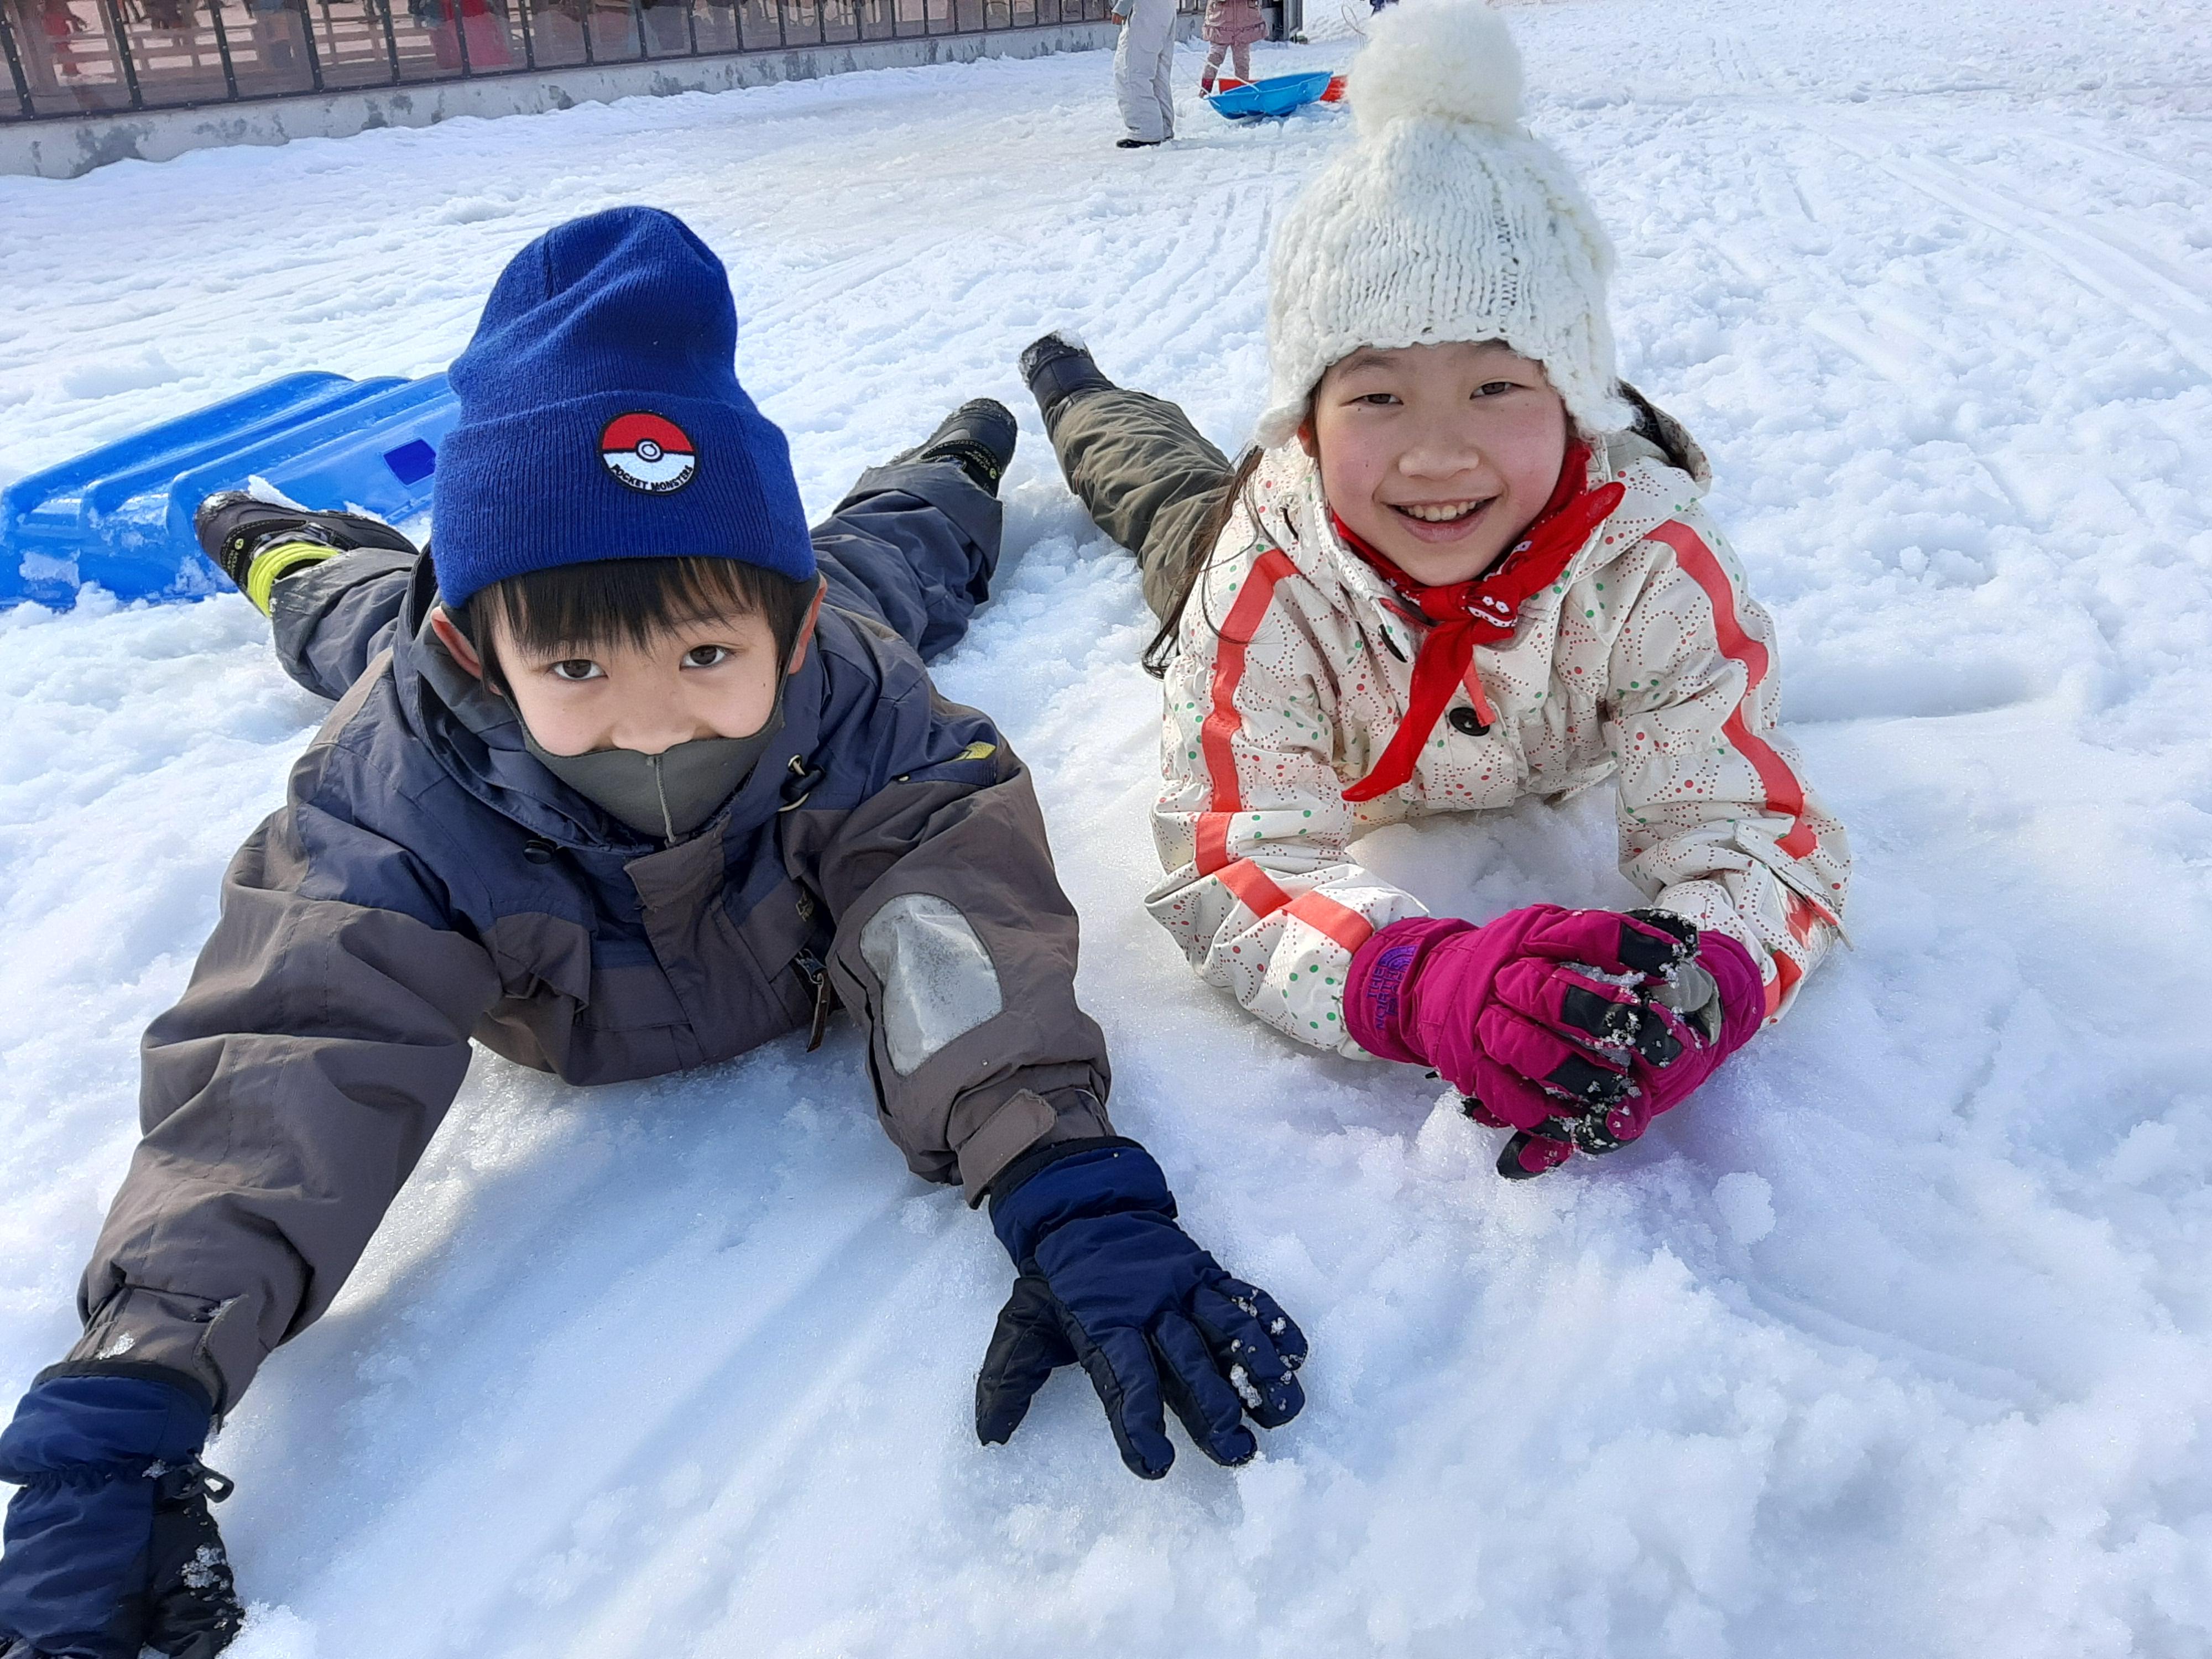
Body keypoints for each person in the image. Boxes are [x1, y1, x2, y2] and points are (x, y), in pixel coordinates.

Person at [0, 208, 1307, 1659]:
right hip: (416, 635)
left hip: (806, 600)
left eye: (707, 655)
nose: (652, 715)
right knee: (340, 615)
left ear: (789, 639)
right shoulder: (397, 794)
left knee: (891, 556)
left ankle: (954, 463)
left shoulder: (850, 695)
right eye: (572, 665)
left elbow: (953, 924)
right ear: (474, 654)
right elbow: (301, 1044)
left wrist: (1067, 1181)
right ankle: (284, 548)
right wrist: (137, 1387)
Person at [1021, 0, 1851, 1181]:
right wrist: (1410, 980)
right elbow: (1236, 858)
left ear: (1573, 404)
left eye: (1495, 389)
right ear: (1305, 424)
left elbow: (1752, 835)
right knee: (1152, 485)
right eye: (1375, 396)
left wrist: (1703, 978)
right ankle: (1074, 387)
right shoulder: (1267, 580)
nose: (1434, 452)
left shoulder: (1649, 572)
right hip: (1233, 531)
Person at [1107, 0, 1177, 148]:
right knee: (1158, 74)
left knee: (1132, 72)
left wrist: (1122, 7)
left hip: (1145, 11)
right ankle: (1163, 127)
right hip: (1165, 9)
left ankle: (1146, 131)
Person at [1197, 0, 1263, 95]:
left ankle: (1242, 90)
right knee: (1215, 56)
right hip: (1221, 21)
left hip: (1243, 22)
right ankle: (1205, 90)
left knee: (1242, 61)